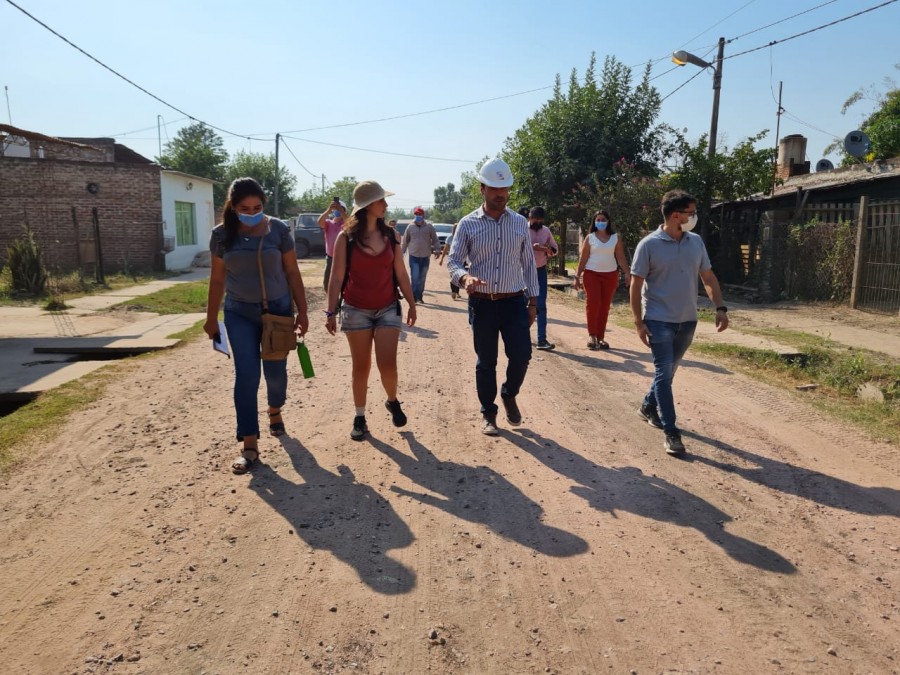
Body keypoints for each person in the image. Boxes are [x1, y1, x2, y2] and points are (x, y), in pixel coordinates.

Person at [204, 177, 310, 474]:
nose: (252, 213)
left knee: (275, 375)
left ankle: (274, 410)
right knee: (247, 375)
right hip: (238, 312)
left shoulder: (278, 230)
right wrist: (210, 318)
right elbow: (217, 279)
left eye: (257, 207)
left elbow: (292, 271)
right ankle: (249, 444)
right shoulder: (221, 235)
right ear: (233, 207)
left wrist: (302, 311)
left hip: (277, 311)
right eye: (244, 208)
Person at [630, 189, 729, 456]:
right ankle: (671, 432)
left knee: (668, 372)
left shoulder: (695, 242)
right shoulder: (648, 245)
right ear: (676, 215)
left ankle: (648, 406)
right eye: (690, 212)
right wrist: (639, 322)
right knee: (664, 374)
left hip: (687, 320)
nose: (693, 217)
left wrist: (720, 307)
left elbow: (708, 277)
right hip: (658, 319)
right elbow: (636, 284)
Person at [448, 158, 539, 435]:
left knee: (521, 355)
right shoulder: (468, 224)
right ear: (482, 189)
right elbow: (454, 261)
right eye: (494, 188)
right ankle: (489, 412)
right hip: (482, 304)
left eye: (504, 188)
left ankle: (509, 393)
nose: (500, 194)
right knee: (486, 361)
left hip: (514, 301)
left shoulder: (520, 223)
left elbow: (528, 264)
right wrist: (464, 277)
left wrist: (533, 302)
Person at [325, 180, 417, 440]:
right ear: (367, 206)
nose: (386, 204)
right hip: (355, 309)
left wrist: (412, 304)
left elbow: (401, 273)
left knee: (387, 364)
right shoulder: (346, 238)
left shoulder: (392, 236)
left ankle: (392, 400)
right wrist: (330, 312)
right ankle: (360, 416)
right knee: (361, 367)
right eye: (381, 200)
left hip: (387, 307)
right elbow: (336, 277)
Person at [574, 210, 631, 351]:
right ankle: (592, 336)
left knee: (604, 306)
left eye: (603, 219)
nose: (600, 222)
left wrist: (627, 273)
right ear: (594, 222)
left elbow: (621, 257)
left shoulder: (615, 238)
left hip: (610, 275)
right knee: (593, 304)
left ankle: (601, 337)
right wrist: (577, 276)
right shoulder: (590, 238)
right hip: (591, 274)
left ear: (608, 221)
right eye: (598, 220)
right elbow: (583, 258)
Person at [527, 206, 559, 350]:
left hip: (540, 271)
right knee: (521, 304)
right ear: (530, 218)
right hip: (523, 271)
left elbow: (555, 249)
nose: (538, 223)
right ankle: (521, 334)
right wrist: (532, 247)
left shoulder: (546, 231)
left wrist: (548, 249)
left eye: (541, 220)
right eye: (536, 220)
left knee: (541, 305)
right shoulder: (522, 229)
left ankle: (541, 339)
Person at [401, 206, 439, 304]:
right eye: (416, 214)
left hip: (425, 257)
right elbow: (405, 241)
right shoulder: (410, 227)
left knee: (422, 278)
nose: (418, 216)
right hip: (413, 256)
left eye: (419, 214)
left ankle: (419, 296)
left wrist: (437, 249)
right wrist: (402, 253)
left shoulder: (429, 227)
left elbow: (435, 239)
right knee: (415, 277)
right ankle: (413, 297)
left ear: (423, 215)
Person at [318, 198, 347, 291]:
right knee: (327, 282)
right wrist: (328, 210)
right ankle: (331, 298)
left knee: (344, 281)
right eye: (336, 209)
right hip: (330, 258)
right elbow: (319, 222)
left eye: (340, 208)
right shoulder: (328, 223)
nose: (337, 210)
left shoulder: (346, 223)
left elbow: (351, 225)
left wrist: (342, 211)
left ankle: (341, 299)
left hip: (343, 258)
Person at [437, 221, 461, 299]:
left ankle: (457, 291)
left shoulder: (463, 237)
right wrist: (442, 259)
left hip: (461, 259)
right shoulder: (450, 238)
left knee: (460, 275)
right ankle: (454, 291)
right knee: (453, 275)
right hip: (452, 259)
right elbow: (445, 249)